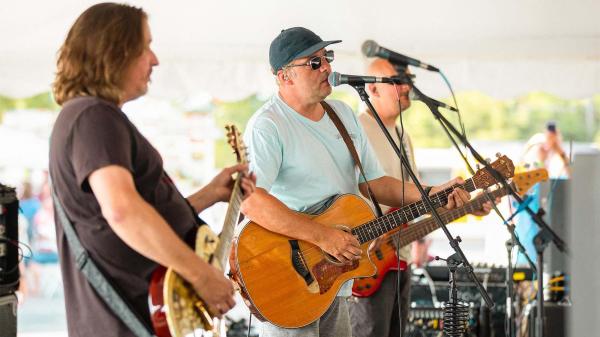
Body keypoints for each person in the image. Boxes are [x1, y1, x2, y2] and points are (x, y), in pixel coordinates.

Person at [240, 27, 471, 337]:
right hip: (290, 279)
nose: (327, 68)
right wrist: (322, 236)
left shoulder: (342, 115)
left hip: (336, 278)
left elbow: (374, 183)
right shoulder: (268, 126)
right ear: (284, 76)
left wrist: (432, 193)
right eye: (314, 62)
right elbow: (251, 200)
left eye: (327, 58)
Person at [49, 3, 256, 336]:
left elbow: (136, 210)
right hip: (125, 320)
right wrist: (201, 276)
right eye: (145, 47)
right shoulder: (94, 117)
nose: (155, 59)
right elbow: (121, 211)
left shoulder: (87, 117)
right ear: (115, 52)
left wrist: (210, 195)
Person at [348, 59, 495, 337]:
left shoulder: (403, 136)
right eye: (396, 81)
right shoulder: (357, 130)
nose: (406, 87)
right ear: (372, 89)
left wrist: (469, 206)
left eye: (407, 80)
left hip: (399, 259)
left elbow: (412, 200)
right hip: (365, 260)